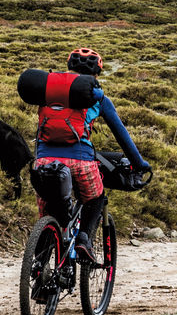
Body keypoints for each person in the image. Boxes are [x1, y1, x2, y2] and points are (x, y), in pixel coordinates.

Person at [31, 47, 149, 261]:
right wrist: (139, 163)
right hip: (81, 161)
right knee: (96, 197)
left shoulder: (46, 91)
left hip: (43, 161)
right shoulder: (98, 98)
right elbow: (122, 135)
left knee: (49, 213)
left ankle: (38, 267)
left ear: (69, 67)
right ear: (96, 73)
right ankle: (84, 239)